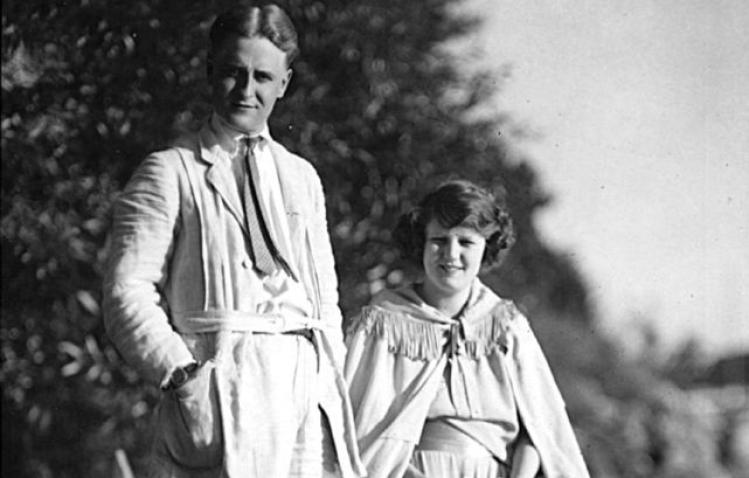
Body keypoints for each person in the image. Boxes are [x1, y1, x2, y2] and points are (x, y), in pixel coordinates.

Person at [103, 4, 364, 477]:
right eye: (233, 72)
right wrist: (181, 373)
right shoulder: (170, 170)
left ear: (284, 83)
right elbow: (127, 289)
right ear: (210, 72)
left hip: (306, 387)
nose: (247, 90)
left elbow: (326, 300)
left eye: (263, 77)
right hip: (224, 382)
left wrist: (327, 374)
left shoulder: (302, 177)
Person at [344, 180, 590, 477]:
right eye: (439, 240)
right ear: (421, 243)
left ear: (486, 246)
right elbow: (360, 428)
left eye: (466, 242)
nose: (451, 254)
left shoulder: (506, 326)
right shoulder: (385, 320)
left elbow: (542, 431)